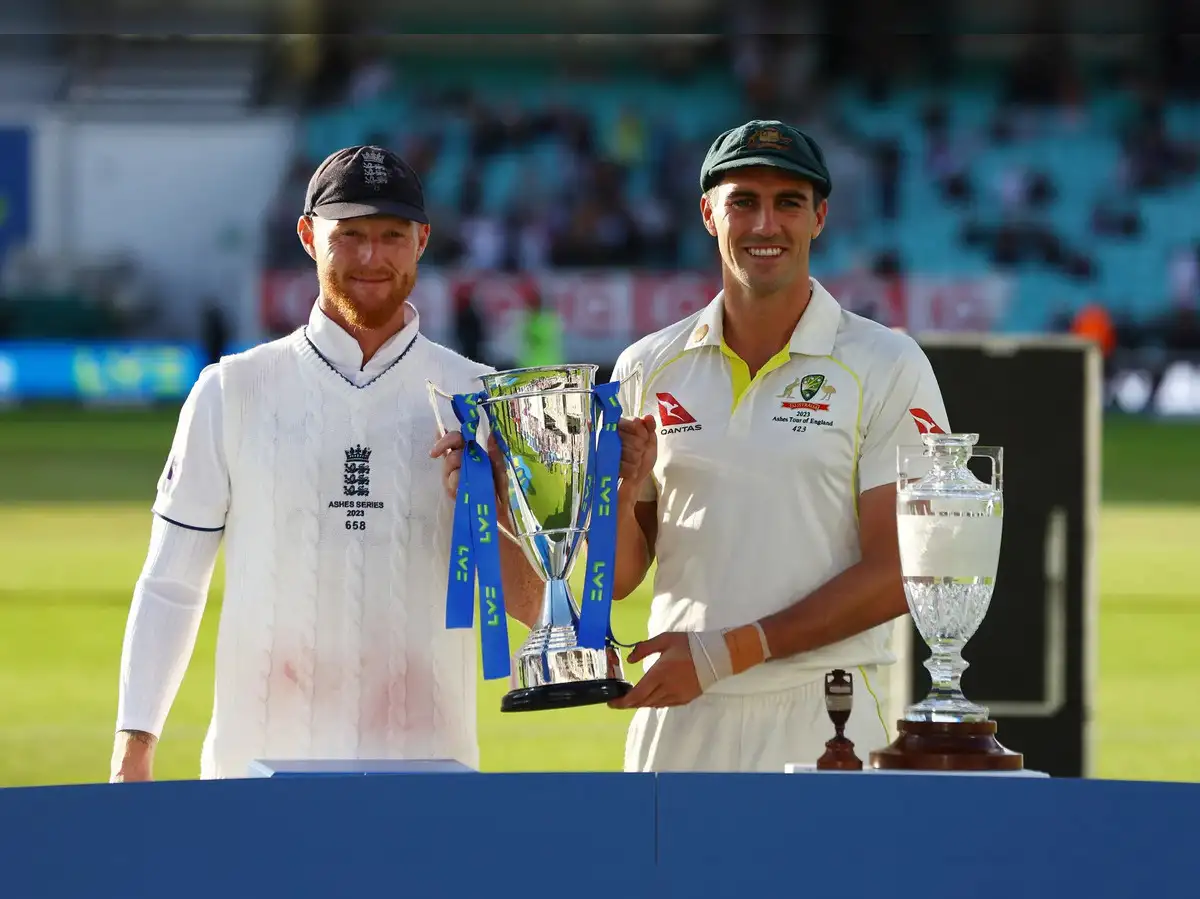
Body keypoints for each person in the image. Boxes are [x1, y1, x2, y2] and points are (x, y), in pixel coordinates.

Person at [110, 145, 542, 782]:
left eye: (392, 235)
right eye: (351, 235)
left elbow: (536, 604)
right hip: (255, 774)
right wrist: (134, 748)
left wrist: (492, 511)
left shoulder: (482, 396)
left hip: (428, 773)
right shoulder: (232, 390)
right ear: (309, 236)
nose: (372, 257)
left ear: (422, 240)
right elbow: (171, 583)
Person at [604, 120, 951, 772]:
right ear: (709, 213)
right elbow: (619, 578)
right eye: (743, 201)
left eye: (788, 202)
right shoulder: (647, 365)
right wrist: (620, 497)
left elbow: (901, 571)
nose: (766, 224)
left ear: (819, 217)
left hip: (825, 715)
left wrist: (728, 651)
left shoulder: (884, 362)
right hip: (678, 712)